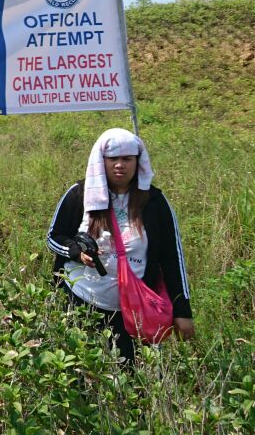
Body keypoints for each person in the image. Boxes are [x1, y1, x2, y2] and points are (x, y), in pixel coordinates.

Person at [46, 128, 194, 365]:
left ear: (138, 162)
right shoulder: (80, 194)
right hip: (80, 301)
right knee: (79, 370)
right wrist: (76, 251)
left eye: (127, 159)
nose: (119, 165)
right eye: (113, 159)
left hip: (132, 310)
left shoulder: (154, 201)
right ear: (101, 161)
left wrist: (182, 311)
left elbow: (172, 257)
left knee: (126, 373)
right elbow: (54, 237)